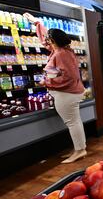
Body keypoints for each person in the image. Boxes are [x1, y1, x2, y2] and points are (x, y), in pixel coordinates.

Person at [24, 13, 87, 163]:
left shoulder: (60, 54)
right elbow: (47, 41)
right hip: (69, 93)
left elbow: (69, 77)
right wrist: (36, 23)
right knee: (75, 121)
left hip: (67, 94)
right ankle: (79, 148)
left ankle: (80, 151)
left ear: (53, 41)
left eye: (48, 39)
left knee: (72, 122)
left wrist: (47, 83)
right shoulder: (60, 50)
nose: (45, 41)